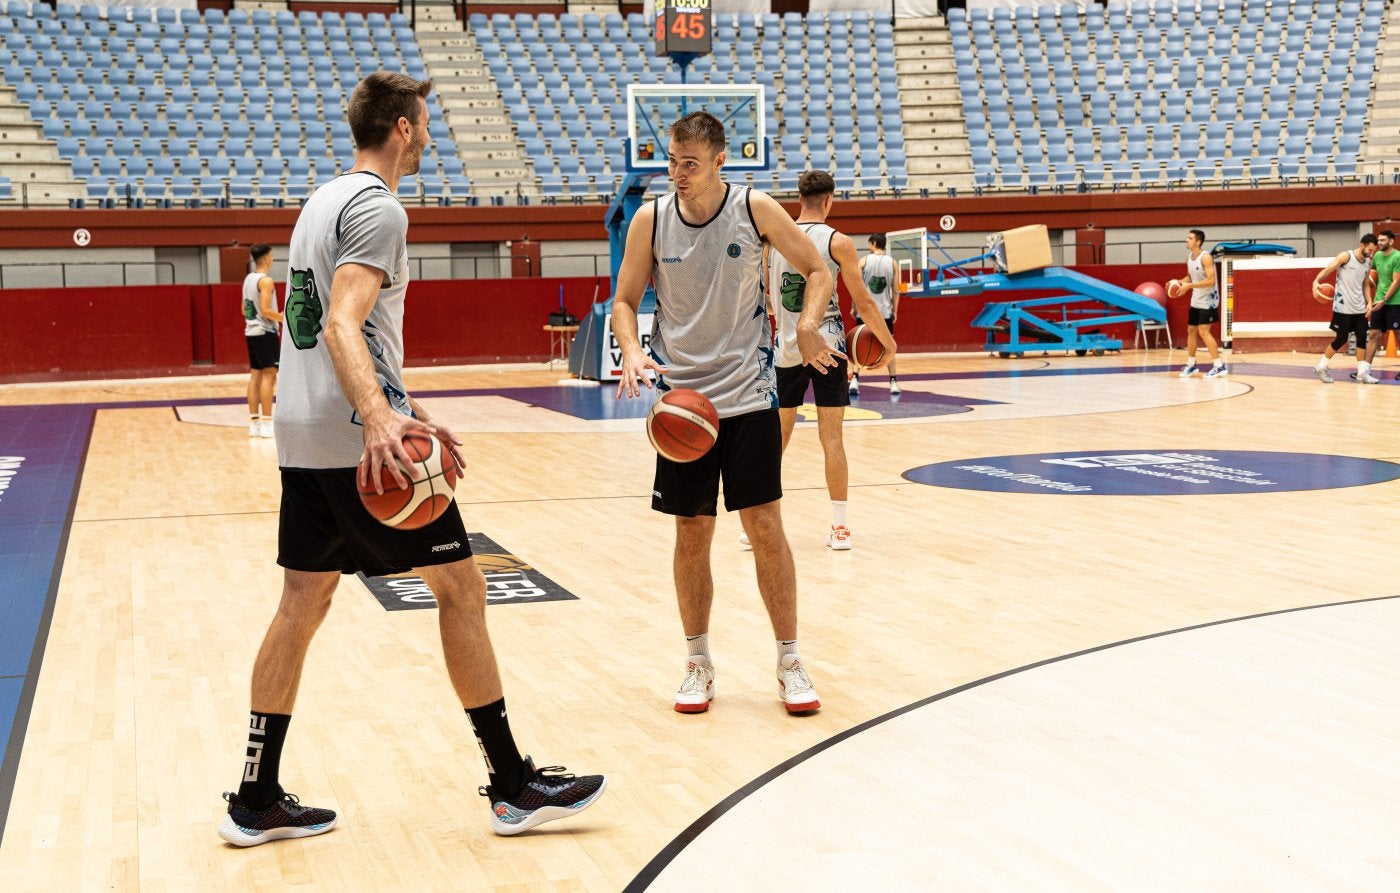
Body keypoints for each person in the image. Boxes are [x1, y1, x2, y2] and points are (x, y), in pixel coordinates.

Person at [218, 72, 604, 847]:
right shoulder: (380, 209)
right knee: (461, 588)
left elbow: (329, 329)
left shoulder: (321, 202)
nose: (430, 134)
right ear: (401, 128)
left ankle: (255, 796)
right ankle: (512, 784)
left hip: (303, 434)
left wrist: (408, 406)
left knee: (303, 603)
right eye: (424, 122)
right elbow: (339, 324)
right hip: (353, 443)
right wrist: (377, 420)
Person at [611, 111, 839, 716]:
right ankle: (697, 660)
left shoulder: (755, 208)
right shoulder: (650, 219)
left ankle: (789, 658)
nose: (677, 174)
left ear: (718, 162)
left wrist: (810, 324)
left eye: (690, 163)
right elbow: (625, 301)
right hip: (681, 401)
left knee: (765, 526)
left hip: (748, 394)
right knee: (693, 530)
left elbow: (819, 269)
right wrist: (632, 350)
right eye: (672, 163)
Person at [768, 170, 895, 551]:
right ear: (829, 201)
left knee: (776, 438)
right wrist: (887, 343)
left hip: (786, 347)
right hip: (829, 347)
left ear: (799, 199)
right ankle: (839, 527)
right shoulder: (838, 242)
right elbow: (864, 301)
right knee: (832, 437)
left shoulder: (773, 239)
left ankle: (757, 522)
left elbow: (762, 297)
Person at [1312, 233, 1378, 384]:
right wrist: (1316, 281)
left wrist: (1369, 302)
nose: (1371, 253)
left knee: (1362, 338)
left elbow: (1365, 284)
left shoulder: (1367, 262)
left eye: (1373, 251)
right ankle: (1321, 366)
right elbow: (1328, 269)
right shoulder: (1345, 257)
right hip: (1343, 307)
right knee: (1341, 338)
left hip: (1359, 308)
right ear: (1362, 245)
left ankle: (1362, 373)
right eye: (1369, 250)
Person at [850, 233, 900, 397]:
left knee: (857, 345)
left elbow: (856, 287)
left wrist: (854, 307)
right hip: (884, 312)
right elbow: (896, 290)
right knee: (889, 346)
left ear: (873, 243)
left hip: (865, 311)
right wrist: (895, 310)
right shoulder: (893, 263)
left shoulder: (863, 261)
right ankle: (893, 382)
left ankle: (855, 380)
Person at [242, 243, 283, 438]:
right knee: (269, 376)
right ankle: (267, 423)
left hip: (250, 331)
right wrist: (284, 318)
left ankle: (254, 423)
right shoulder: (265, 281)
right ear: (266, 258)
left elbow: (244, 310)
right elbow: (266, 310)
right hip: (265, 332)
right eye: (272, 255)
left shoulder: (248, 279)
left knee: (255, 376)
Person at [1174, 229, 1226, 378]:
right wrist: (1178, 282)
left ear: (1198, 241)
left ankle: (1219, 366)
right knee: (1191, 330)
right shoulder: (1190, 257)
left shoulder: (1206, 257)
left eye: (1190, 238)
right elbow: (1191, 277)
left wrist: (1189, 287)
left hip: (1209, 300)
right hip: (1196, 299)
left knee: (1203, 331)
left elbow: (1211, 281)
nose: (1186, 240)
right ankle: (1191, 364)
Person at [1362, 229, 1399, 378]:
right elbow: (1372, 276)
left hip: (1395, 301)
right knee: (1373, 334)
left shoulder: (1398, 257)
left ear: (1391, 241)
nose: (1379, 243)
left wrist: (1385, 300)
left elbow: (1396, 281)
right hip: (1378, 301)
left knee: (1398, 333)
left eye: (1383, 240)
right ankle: (1364, 370)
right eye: (1378, 240)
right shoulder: (1376, 256)